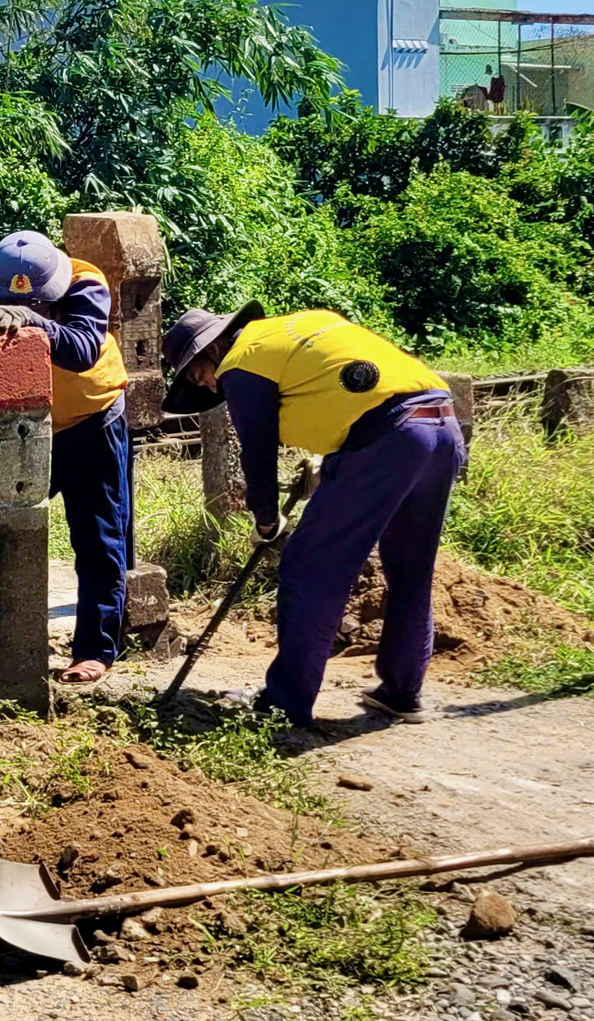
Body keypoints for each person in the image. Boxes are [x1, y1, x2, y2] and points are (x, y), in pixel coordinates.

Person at [162, 304, 465, 727]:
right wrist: (333, 458)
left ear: (213, 347)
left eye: (199, 374)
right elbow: (348, 391)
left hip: (389, 439)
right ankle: (402, 692)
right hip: (441, 425)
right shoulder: (299, 326)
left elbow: (258, 451)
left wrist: (266, 520)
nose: (211, 385)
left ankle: (285, 704)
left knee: (309, 569)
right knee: (411, 569)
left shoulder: (241, 361)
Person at [0, 231, 132, 685]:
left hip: (91, 420)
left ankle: (95, 649)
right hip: (15, 424)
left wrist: (32, 320)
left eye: (43, 305)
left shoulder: (86, 281)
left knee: (99, 536)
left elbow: (83, 351)